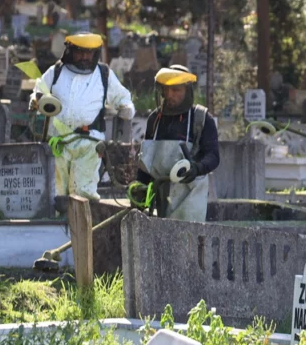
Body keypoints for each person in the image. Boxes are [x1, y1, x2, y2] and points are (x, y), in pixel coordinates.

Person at [30, 33, 135, 202]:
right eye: (80, 52)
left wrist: (126, 108)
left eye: (89, 53)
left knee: (82, 192)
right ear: (70, 51)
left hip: (89, 143)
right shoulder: (56, 71)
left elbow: (122, 97)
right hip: (58, 142)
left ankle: (82, 227)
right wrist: (37, 100)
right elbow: (38, 91)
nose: (85, 57)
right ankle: (57, 227)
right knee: (55, 193)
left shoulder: (103, 74)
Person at [132, 65, 220, 221]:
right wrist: (140, 187)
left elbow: (213, 155)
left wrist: (197, 168)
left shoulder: (201, 118)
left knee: (188, 240)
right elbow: (147, 160)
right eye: (166, 89)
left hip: (191, 194)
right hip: (160, 194)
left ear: (188, 91)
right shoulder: (155, 119)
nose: (169, 94)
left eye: (176, 90)